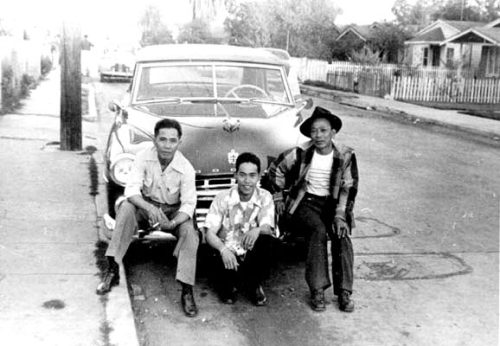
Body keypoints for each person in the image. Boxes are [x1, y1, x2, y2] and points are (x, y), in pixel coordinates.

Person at [96, 118, 200, 318]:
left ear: (179, 142)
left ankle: (187, 290)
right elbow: (131, 189)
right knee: (126, 209)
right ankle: (112, 270)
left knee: (190, 232)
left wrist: (173, 222)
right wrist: (149, 208)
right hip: (146, 206)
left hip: (173, 211)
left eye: (172, 140)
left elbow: (188, 204)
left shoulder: (186, 167)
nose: (167, 145)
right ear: (154, 140)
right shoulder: (143, 157)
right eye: (162, 139)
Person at [268, 106, 359, 312]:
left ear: (333, 132)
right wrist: (278, 195)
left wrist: (339, 216)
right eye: (314, 131)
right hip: (304, 203)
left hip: (333, 205)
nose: (318, 136)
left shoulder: (345, 156)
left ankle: (344, 292)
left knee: (342, 236)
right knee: (317, 230)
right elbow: (276, 170)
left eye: (323, 130)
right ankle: (317, 290)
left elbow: (348, 188)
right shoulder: (301, 152)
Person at [204, 152, 275, 306]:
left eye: (252, 175)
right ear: (235, 175)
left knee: (266, 241)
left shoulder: (265, 196)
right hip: (228, 252)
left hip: (249, 251)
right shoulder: (222, 197)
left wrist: (256, 230)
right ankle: (231, 283)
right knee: (212, 255)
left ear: (258, 177)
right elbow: (209, 233)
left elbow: (268, 227)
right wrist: (223, 250)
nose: (247, 181)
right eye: (242, 175)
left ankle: (254, 284)